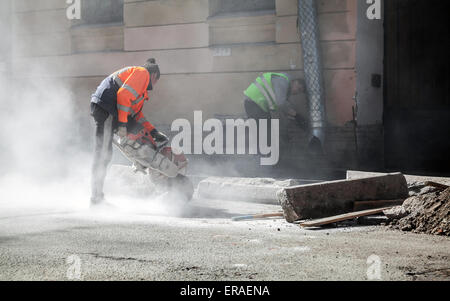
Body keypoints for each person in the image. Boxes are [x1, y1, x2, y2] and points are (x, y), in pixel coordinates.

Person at [89, 58, 168, 206]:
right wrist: (123, 125)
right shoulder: (142, 73)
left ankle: (143, 161)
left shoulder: (141, 89)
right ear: (154, 75)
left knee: (108, 151)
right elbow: (123, 95)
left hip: (111, 108)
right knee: (103, 153)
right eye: (157, 80)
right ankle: (96, 199)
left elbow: (136, 115)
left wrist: (153, 132)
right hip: (107, 107)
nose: (155, 85)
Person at [243, 72, 308, 147]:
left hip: (257, 103)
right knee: (264, 130)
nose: (297, 92)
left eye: (299, 92)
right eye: (298, 88)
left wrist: (293, 116)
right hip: (253, 101)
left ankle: (266, 154)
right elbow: (281, 103)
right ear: (294, 82)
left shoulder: (284, 85)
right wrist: (296, 116)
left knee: (265, 129)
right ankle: (264, 155)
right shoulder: (283, 81)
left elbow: (282, 105)